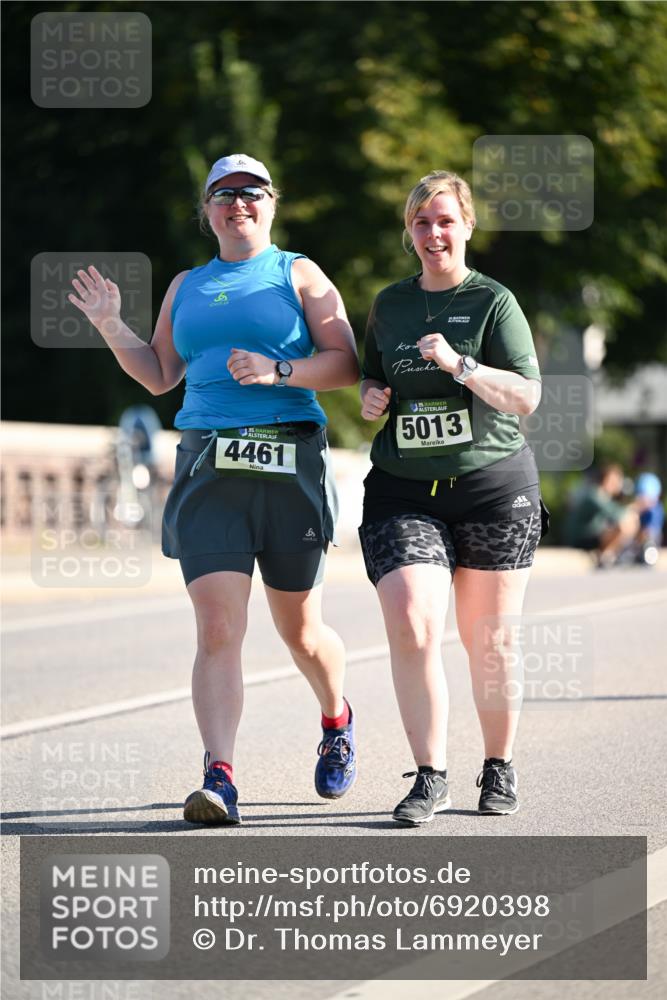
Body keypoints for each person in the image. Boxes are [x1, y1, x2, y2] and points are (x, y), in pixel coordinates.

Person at [68, 152, 360, 825]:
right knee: (219, 627)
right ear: (207, 211)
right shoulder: (186, 286)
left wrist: (278, 368)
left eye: (251, 192)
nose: (238, 203)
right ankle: (220, 776)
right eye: (223, 195)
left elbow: (345, 364)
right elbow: (159, 374)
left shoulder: (299, 273)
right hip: (209, 465)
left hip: (289, 463)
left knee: (303, 633)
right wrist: (112, 325)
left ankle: (336, 718)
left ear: (271, 203)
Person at [359, 170, 547, 826]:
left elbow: (526, 395)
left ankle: (497, 765)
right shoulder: (388, 305)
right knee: (412, 620)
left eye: (443, 220)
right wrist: (369, 397)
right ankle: (428, 775)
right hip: (402, 489)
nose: (432, 232)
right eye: (420, 222)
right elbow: (370, 380)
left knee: (489, 641)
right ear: (408, 233)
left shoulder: (493, 302)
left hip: (492, 487)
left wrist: (461, 365)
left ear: (466, 226)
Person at [564, 463, 638, 567]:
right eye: (616, 481)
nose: (618, 484)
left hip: (591, 535)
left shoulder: (603, 495)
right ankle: (606, 556)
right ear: (606, 479)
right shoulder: (595, 495)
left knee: (628, 522)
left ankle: (617, 553)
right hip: (581, 538)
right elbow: (616, 514)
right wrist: (634, 508)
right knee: (624, 526)